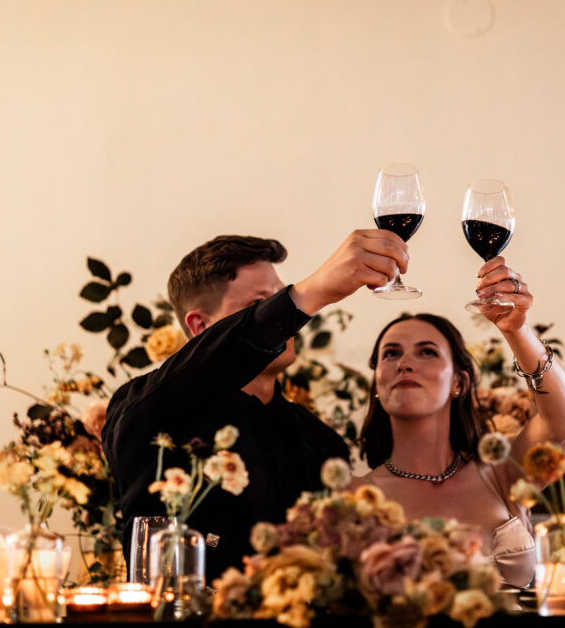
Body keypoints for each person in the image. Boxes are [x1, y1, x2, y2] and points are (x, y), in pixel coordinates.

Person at [102, 230, 410, 578]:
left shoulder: (321, 442)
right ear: (200, 325)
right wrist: (311, 292)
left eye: (279, 301)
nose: (288, 320)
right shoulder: (147, 412)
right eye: (261, 306)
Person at [353, 257, 565, 588]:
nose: (404, 363)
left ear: (458, 383)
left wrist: (517, 330)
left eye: (427, 352)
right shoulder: (358, 496)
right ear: (377, 384)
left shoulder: (503, 476)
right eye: (390, 354)